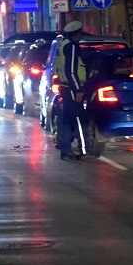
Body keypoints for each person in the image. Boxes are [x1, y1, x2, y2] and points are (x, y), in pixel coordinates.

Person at [56, 20, 91, 160]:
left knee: (67, 120)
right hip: (71, 89)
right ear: (76, 34)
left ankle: (65, 149)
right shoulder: (70, 47)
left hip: (65, 87)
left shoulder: (62, 45)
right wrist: (78, 90)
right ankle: (84, 150)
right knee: (79, 120)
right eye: (79, 34)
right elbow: (71, 71)